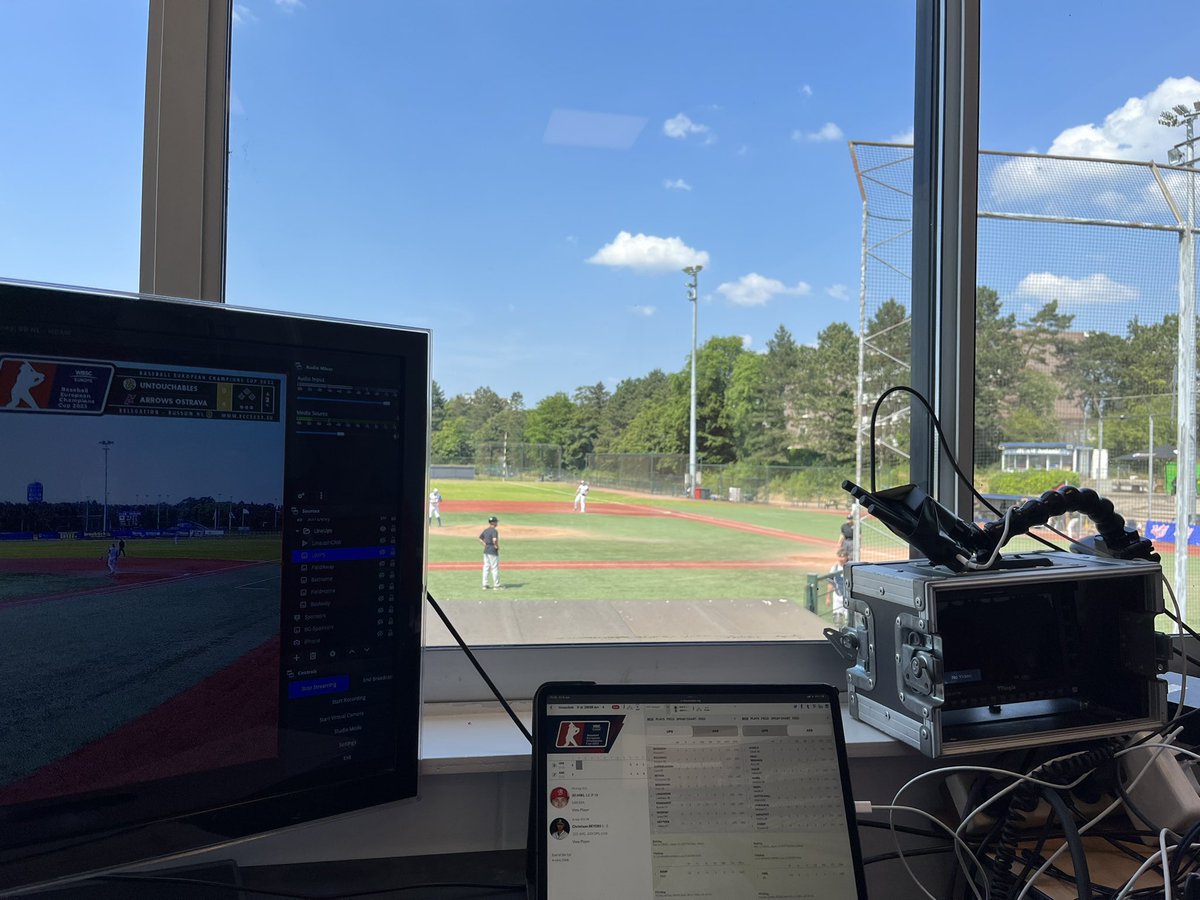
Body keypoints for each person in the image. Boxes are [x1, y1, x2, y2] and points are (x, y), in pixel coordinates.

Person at [480, 515, 502, 590]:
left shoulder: (486, 530)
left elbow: (480, 539)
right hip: (492, 550)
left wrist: (485, 544)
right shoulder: (494, 531)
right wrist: (496, 546)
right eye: (496, 522)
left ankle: (484, 585)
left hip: (486, 550)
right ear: (493, 523)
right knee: (494, 568)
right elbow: (494, 540)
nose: (497, 523)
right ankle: (496, 585)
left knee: (486, 567)